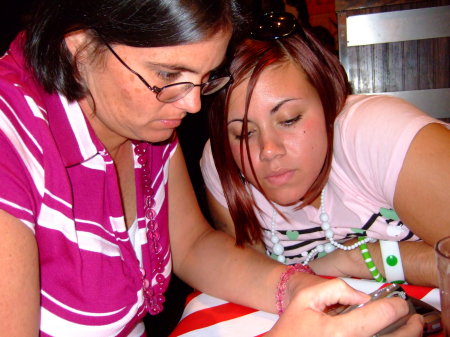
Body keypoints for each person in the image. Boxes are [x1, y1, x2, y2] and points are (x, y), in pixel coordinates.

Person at [0, 2, 423, 336]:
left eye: (206, 77)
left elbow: (193, 244)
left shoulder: (142, 123)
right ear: (80, 45)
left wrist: (297, 286)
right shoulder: (10, 140)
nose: (193, 105)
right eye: (168, 75)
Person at [202, 12, 450, 288]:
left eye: (289, 119)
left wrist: (364, 259)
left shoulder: (380, 133)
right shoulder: (223, 161)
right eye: (244, 132)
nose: (268, 150)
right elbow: (250, 280)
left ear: (329, 100)